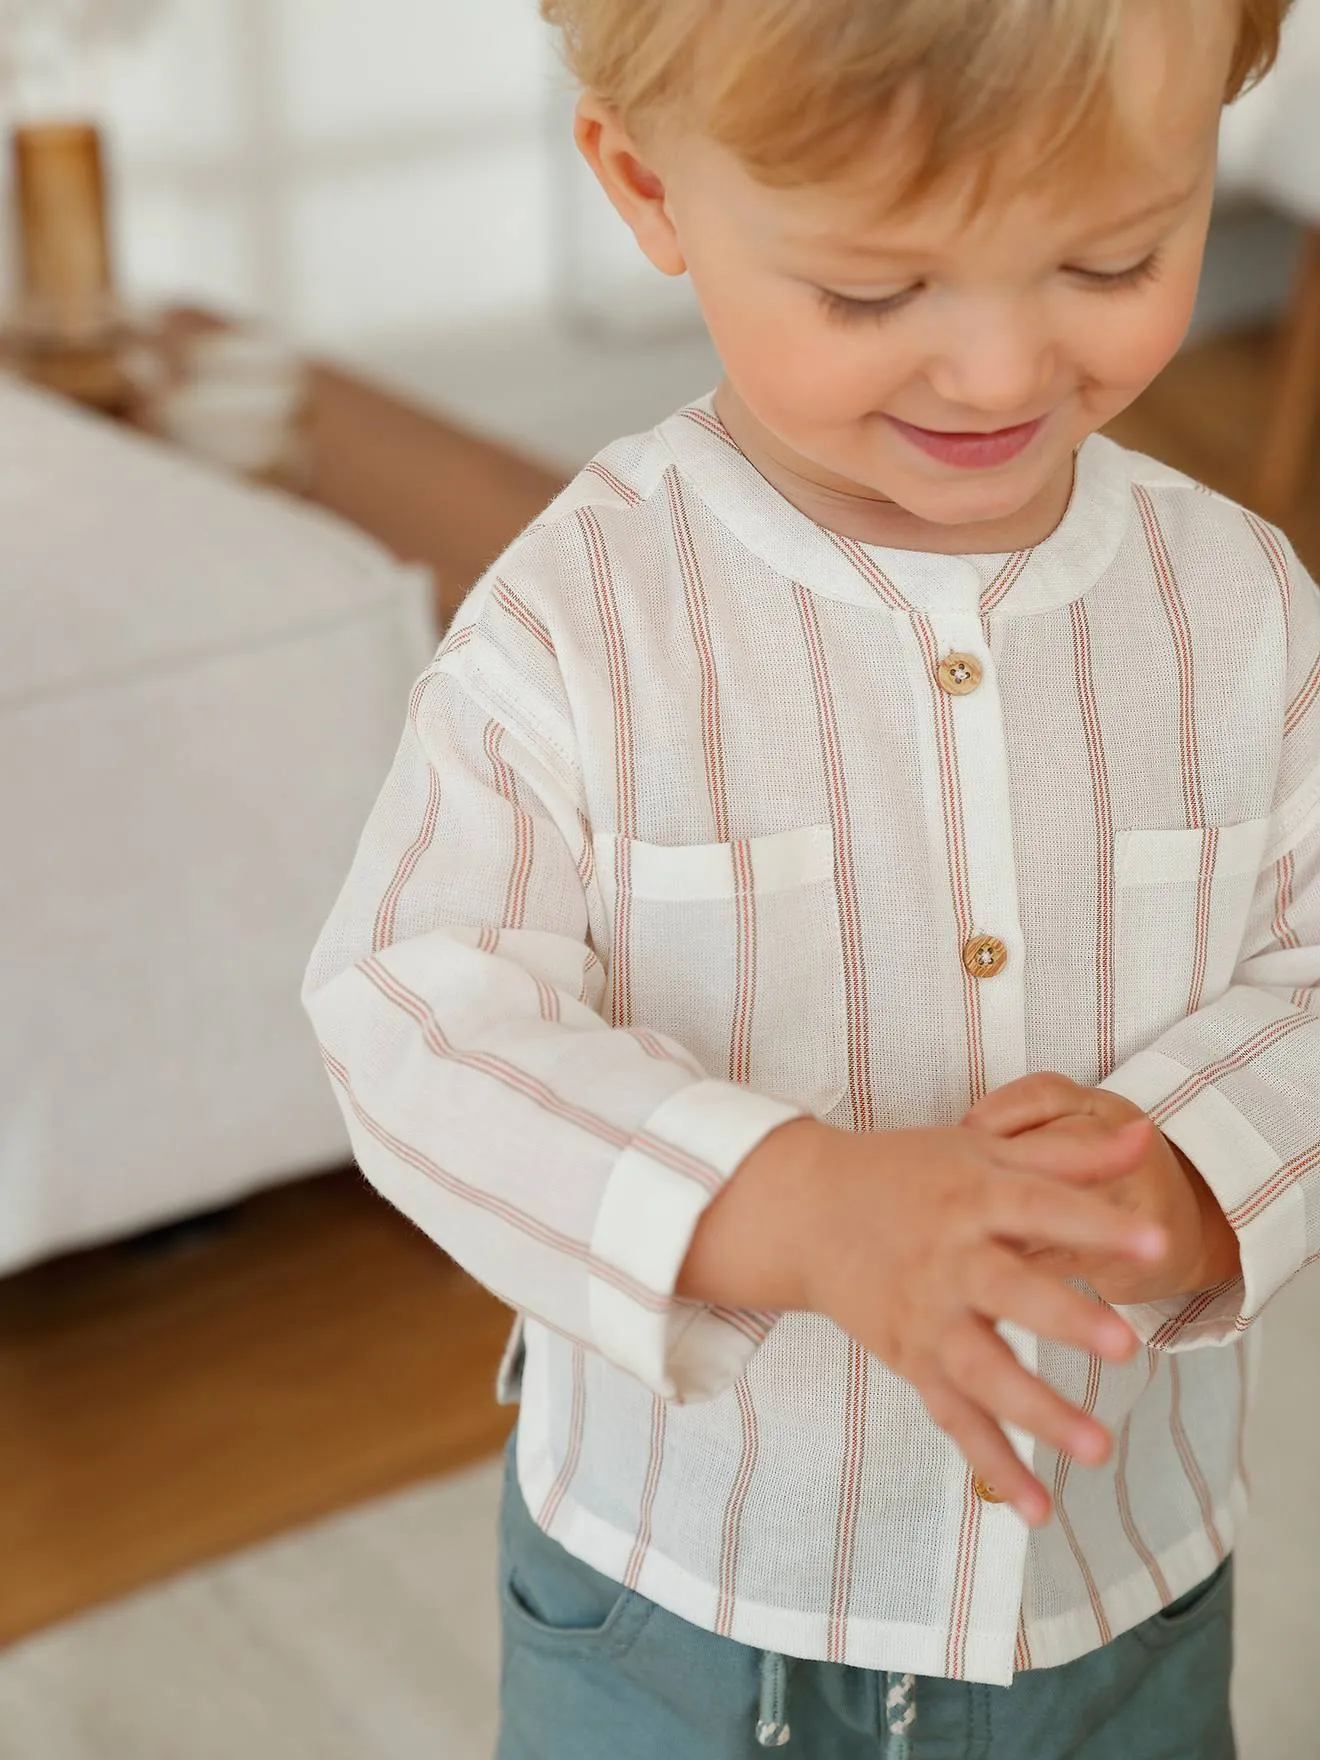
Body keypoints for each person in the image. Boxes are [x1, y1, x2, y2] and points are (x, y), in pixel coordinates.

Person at [303, 0, 1317, 1752]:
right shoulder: (584, 624)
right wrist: (787, 1204)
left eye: (1112, 255)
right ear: (650, 186)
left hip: (1116, 1600)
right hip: (685, 1606)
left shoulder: (1242, 614)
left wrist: (1199, 1169)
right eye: (873, 291)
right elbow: (412, 1012)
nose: (999, 373)